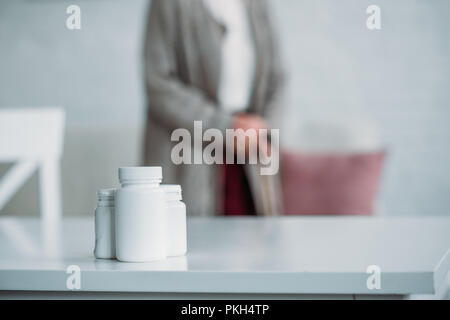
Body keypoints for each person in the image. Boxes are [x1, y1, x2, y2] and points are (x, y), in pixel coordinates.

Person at [143, 0, 284, 216]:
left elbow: (277, 78)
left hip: (248, 156)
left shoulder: (257, 5)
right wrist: (227, 127)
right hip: (188, 153)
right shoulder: (169, 4)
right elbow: (158, 84)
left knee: (256, 243)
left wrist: (265, 132)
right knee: (189, 241)